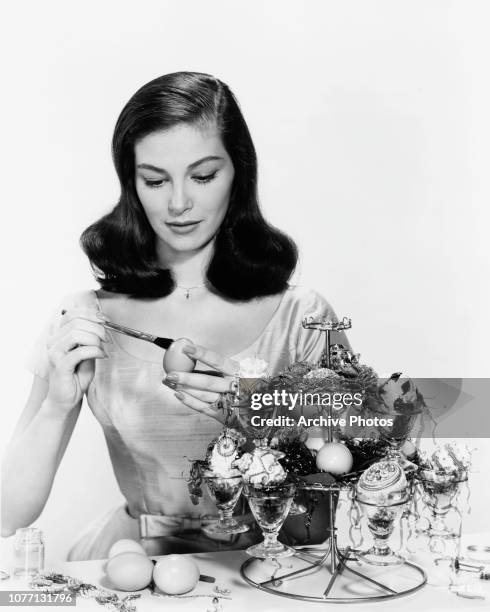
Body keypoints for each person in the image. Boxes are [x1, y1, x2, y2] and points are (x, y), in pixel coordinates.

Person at [2, 71, 348, 560]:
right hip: (134, 563)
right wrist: (58, 404)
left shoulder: (304, 319)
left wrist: (269, 424)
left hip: (271, 568)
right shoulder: (86, 319)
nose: (179, 203)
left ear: (239, 174)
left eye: (204, 176)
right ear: (131, 183)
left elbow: (331, 508)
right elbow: (8, 515)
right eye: (155, 180)